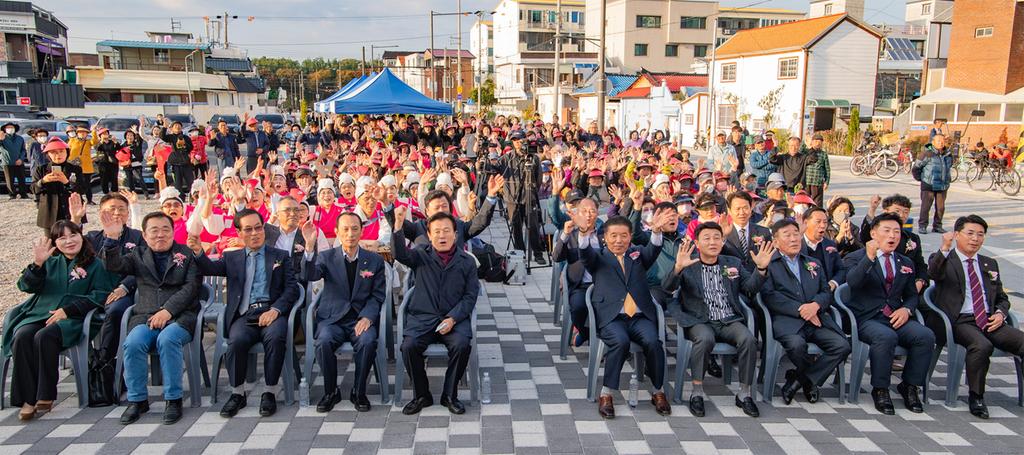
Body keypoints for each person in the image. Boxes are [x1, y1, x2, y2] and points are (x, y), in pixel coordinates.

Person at [189, 209, 298, 418]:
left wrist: (276, 310)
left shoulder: (280, 256)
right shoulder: (232, 257)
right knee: (236, 341)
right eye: (248, 229)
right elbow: (210, 268)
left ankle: (270, 392)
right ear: (239, 233)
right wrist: (198, 252)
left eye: (258, 228)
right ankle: (237, 393)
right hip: (245, 314)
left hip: (271, 312)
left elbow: (291, 289)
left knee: (276, 338)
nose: (255, 233)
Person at [3, 221, 117, 421]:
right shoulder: (50, 262)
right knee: (21, 336)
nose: (69, 241)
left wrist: (69, 310)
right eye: (62, 238)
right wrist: (37, 265)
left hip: (72, 319)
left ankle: (45, 395)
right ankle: (27, 399)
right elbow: (25, 286)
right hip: (40, 314)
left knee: (44, 336)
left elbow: (101, 294)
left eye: (73, 235)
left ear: (81, 236)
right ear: (56, 243)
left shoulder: (95, 264)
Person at [99, 212, 202, 425]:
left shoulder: (186, 253)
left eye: (165, 230)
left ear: (173, 232)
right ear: (145, 235)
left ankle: (173, 399)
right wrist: (111, 239)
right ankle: (137, 400)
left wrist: (168, 310)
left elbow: (191, 288)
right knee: (133, 343)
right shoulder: (138, 255)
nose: (160, 235)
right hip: (146, 316)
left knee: (168, 339)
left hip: (180, 316)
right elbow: (113, 266)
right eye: (154, 231)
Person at [662, 223, 774, 418]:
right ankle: (697, 392)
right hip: (699, 320)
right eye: (706, 238)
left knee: (748, 339)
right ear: (697, 243)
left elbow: (750, 288)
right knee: (705, 339)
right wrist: (678, 268)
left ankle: (744, 394)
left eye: (717, 238)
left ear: (723, 241)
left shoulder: (733, 263)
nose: (712, 242)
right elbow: (667, 288)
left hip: (728, 318)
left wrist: (761, 269)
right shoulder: (689, 262)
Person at [572, 214, 675, 419]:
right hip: (612, 318)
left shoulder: (637, 255)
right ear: (605, 237)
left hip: (639, 317)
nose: (618, 240)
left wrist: (656, 231)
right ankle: (606, 393)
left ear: (630, 237)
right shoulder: (598, 257)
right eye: (613, 236)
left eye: (623, 236)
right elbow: (584, 253)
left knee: (654, 342)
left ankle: (658, 390)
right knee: (620, 342)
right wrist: (583, 232)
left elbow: (654, 249)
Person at [925, 215, 1024, 419]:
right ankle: (976, 397)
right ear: (957, 235)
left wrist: (1000, 313)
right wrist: (945, 247)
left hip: (989, 319)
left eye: (980, 234)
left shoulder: (989, 263)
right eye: (970, 233)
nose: (975, 239)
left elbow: (1002, 297)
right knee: (981, 346)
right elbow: (933, 273)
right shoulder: (945, 259)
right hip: (959, 320)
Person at [843, 212, 934, 415]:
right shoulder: (855, 257)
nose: (892, 236)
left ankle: (910, 386)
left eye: (896, 232)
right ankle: (881, 389)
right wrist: (869, 258)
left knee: (925, 335)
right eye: (887, 231)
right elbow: (853, 283)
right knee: (886, 337)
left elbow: (911, 295)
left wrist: (907, 309)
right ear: (873, 233)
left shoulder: (905, 262)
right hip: (867, 318)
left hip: (896, 316)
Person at [391, 207, 480, 415]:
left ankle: (450, 395)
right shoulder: (421, 255)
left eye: (447, 231)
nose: (442, 236)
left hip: (454, 319)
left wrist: (453, 318)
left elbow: (470, 296)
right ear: (429, 236)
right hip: (423, 318)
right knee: (409, 346)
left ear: (455, 234)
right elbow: (400, 254)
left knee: (461, 345)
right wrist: (398, 226)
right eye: (437, 231)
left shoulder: (467, 261)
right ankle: (422, 395)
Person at [301, 212, 386, 413]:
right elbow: (309, 275)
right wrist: (309, 247)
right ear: (337, 232)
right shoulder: (326, 257)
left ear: (361, 231)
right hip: (332, 319)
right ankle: (331, 391)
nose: (350, 234)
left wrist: (368, 316)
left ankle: (359, 391)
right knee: (323, 341)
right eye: (345, 229)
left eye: (355, 229)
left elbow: (378, 295)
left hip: (360, 317)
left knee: (367, 341)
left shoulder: (374, 260)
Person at [760, 219, 851, 404]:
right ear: (775, 242)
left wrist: (815, 305)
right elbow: (769, 296)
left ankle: (802, 379)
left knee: (842, 346)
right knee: (796, 345)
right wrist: (801, 310)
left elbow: (825, 292)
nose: (794, 239)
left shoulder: (813, 263)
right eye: (787, 235)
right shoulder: (770, 264)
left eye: (796, 234)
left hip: (817, 319)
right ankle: (808, 380)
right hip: (788, 321)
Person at [82, 193, 145, 397]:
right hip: (95, 291)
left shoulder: (137, 237)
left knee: (118, 310)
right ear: (101, 213)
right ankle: (88, 359)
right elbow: (70, 249)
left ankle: (105, 360)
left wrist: (125, 286)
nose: (117, 213)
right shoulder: (93, 238)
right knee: (74, 311)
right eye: (111, 209)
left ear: (128, 213)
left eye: (121, 208)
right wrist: (75, 219)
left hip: (123, 291)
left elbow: (144, 266)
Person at [552, 196, 602, 347]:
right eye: (584, 211)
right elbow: (557, 257)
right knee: (578, 307)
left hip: (603, 284)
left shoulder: (604, 234)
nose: (588, 215)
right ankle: (585, 333)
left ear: (597, 213)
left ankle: (605, 342)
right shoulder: (572, 234)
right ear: (577, 213)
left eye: (592, 211)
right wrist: (565, 234)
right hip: (580, 285)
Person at [496, 132, 546, 264]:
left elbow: (538, 178)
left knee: (534, 227)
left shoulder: (533, 158)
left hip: (530, 197)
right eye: (515, 140)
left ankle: (538, 253)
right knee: (516, 228)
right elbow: (495, 169)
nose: (518, 142)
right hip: (512, 199)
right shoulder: (507, 158)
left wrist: (532, 191)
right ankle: (520, 254)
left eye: (520, 139)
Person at [860, 194, 928, 292]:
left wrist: (920, 282)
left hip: (906, 286)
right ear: (885, 211)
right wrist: (872, 209)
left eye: (906, 212)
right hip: (878, 285)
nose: (902, 215)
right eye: (897, 211)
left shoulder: (912, 238)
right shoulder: (877, 234)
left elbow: (920, 264)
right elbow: (865, 235)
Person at [33, 138, 86, 232]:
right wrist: (43, 181)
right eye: (53, 152)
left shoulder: (76, 169)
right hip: (50, 212)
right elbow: (33, 189)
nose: (58, 155)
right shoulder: (41, 169)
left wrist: (67, 182)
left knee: (75, 238)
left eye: (61, 151)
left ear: (67, 152)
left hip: (71, 211)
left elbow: (82, 190)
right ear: (48, 154)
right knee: (51, 239)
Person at [721, 191, 773, 272]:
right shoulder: (722, 234)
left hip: (759, 276)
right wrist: (722, 237)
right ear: (729, 211)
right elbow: (716, 256)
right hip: (732, 277)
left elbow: (771, 259)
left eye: (745, 208)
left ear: (751, 208)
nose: (742, 213)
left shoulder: (764, 232)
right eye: (737, 209)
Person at [913, 133, 953, 235]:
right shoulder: (926, 154)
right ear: (933, 142)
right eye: (938, 141)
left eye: (943, 141)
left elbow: (949, 167)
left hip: (942, 185)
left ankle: (937, 226)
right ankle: (922, 226)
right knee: (926, 207)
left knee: (940, 208)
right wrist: (922, 179)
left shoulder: (948, 154)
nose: (941, 143)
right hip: (928, 185)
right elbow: (916, 168)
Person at [801, 207, 846, 291]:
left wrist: (833, 282)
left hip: (826, 291)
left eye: (825, 222)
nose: (822, 226)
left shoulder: (830, 244)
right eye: (818, 222)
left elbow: (841, 270)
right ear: (805, 223)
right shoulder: (796, 245)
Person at [161, 121, 195, 196]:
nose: (177, 127)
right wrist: (164, 128)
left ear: (181, 128)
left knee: (191, 182)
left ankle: (193, 197)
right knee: (178, 183)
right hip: (175, 163)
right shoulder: (171, 137)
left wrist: (184, 144)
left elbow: (191, 148)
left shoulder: (186, 137)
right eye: (175, 125)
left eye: (179, 125)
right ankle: (180, 197)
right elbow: (162, 137)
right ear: (172, 129)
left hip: (186, 162)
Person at [67, 126, 98, 204]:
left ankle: (89, 200)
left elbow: (95, 141)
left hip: (86, 167)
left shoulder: (88, 142)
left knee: (87, 184)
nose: (83, 134)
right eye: (80, 132)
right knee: (76, 184)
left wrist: (94, 131)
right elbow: (67, 151)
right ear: (77, 133)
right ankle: (79, 199)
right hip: (75, 166)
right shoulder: (72, 141)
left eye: (85, 133)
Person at [1, 121, 28, 199]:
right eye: (8, 127)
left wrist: (21, 159)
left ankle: (23, 194)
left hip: (19, 162)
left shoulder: (20, 138)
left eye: (11, 127)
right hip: (7, 162)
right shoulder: (2, 138)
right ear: (4, 129)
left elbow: (23, 150)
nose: (10, 129)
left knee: (22, 178)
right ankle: (12, 194)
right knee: (10, 180)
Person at [803, 134, 830, 207]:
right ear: (812, 142)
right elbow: (800, 150)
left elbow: (827, 169)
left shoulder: (823, 154)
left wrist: (826, 182)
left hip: (817, 182)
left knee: (817, 205)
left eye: (820, 142)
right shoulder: (806, 152)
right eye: (816, 141)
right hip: (806, 182)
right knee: (804, 204)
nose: (818, 143)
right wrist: (806, 143)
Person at [93, 128, 121, 194]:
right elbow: (96, 148)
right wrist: (101, 141)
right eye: (103, 134)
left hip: (113, 163)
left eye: (106, 133)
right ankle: (106, 192)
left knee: (114, 178)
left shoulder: (112, 142)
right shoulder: (99, 143)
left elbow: (119, 148)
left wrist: (115, 142)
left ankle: (114, 191)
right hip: (103, 163)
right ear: (100, 135)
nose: (105, 135)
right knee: (104, 179)